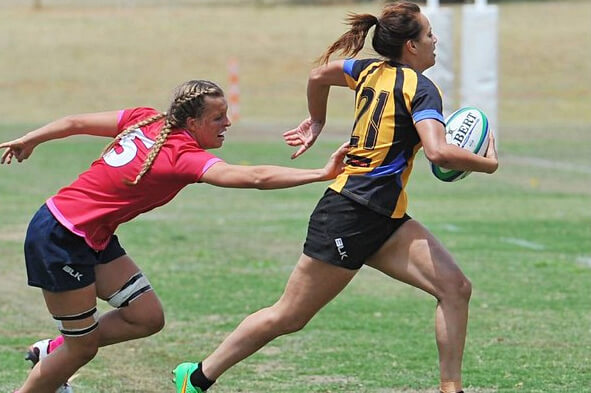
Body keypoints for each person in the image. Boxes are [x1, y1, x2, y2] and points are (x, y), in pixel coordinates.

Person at [172, 2, 498, 393]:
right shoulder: (422, 89)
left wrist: (318, 121)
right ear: (410, 46)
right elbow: (439, 153)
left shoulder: (367, 69)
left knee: (455, 288)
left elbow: (317, 76)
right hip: (350, 213)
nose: (435, 40)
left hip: (384, 216)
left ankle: (451, 388)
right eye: (429, 34)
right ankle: (196, 377)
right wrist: (488, 163)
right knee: (289, 316)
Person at [0, 79, 349, 393]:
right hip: (60, 236)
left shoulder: (146, 118)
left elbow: (75, 122)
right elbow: (254, 177)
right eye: (218, 118)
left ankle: (53, 352)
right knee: (82, 347)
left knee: (146, 317)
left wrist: (32, 138)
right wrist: (320, 173)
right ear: (192, 122)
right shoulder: (181, 155)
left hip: (92, 235)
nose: (227, 123)